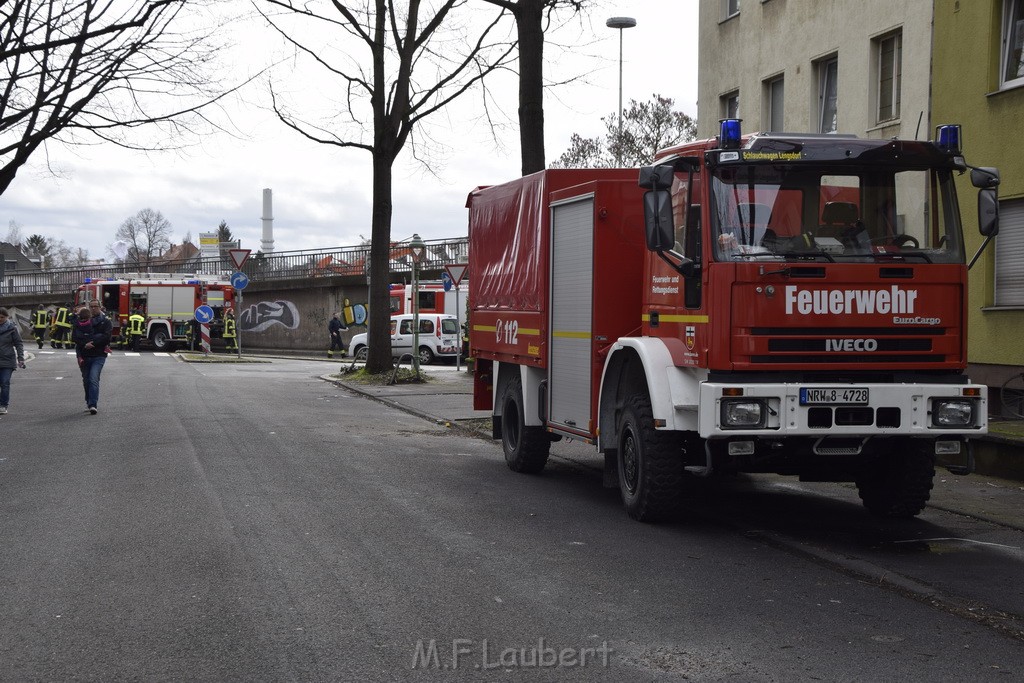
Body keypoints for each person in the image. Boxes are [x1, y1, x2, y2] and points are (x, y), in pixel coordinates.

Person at [72, 301, 112, 415]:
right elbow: (75, 337)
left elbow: (106, 337)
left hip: (98, 355)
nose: (93, 308)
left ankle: (93, 404)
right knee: (86, 381)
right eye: (92, 306)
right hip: (85, 355)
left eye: (96, 306)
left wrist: (93, 343)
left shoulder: (105, 322)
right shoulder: (80, 321)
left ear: (100, 307)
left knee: (93, 378)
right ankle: (89, 402)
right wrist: (85, 344)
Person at [0, 308, 28, 415]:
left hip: (7, 360)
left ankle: (3, 405)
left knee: (5, 382)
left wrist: (20, 358)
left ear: (7, 317)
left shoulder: (12, 328)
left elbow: (19, 343)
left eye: (2, 317)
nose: (0, 319)